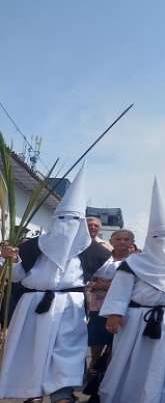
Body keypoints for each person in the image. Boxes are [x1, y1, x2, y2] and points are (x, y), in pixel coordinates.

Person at [0, 163, 109, 403]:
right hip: (33, 307)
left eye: (72, 220)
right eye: (62, 218)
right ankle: (32, 393)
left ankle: (62, 395)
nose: (66, 225)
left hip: (70, 308)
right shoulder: (32, 245)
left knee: (66, 353)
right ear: (54, 219)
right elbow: (16, 276)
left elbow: (117, 273)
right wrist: (9, 259)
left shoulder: (94, 251)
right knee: (32, 352)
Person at [98, 177, 165, 403]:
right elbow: (120, 290)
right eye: (157, 237)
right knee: (134, 362)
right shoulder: (135, 263)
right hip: (138, 321)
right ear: (149, 238)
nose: (162, 242)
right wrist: (115, 313)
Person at [86, 229, 135, 376]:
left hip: (123, 307)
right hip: (98, 305)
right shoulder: (101, 257)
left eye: (126, 239)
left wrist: (105, 285)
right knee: (96, 337)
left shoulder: (136, 261)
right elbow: (89, 277)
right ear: (111, 241)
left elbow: (134, 284)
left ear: (131, 242)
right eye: (118, 239)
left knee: (116, 340)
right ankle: (94, 365)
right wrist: (100, 285)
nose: (122, 242)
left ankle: (111, 370)